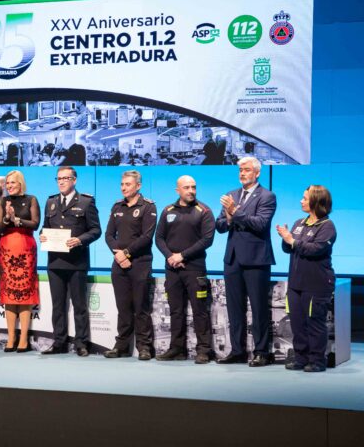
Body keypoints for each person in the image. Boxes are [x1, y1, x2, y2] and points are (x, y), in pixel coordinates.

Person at [215, 156, 277, 367]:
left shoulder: (267, 196)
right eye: (240, 170)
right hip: (232, 258)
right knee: (234, 308)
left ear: (257, 173)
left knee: (258, 308)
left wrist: (234, 212)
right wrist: (229, 217)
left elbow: (260, 224)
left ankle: (261, 351)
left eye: (247, 170)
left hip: (256, 259)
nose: (242, 173)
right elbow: (220, 225)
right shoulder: (232, 195)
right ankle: (237, 350)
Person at [39, 166, 101, 356]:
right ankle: (59, 342)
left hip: (77, 262)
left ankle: (81, 344)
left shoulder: (86, 202)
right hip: (55, 262)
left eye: (66, 178)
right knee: (57, 306)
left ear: (74, 180)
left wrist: (80, 240)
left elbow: (96, 230)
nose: (62, 181)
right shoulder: (50, 202)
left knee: (79, 306)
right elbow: (45, 227)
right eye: (59, 178)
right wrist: (42, 235)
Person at [154, 176, 216, 363]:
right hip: (172, 269)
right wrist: (170, 257)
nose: (191, 191)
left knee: (200, 310)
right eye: (187, 187)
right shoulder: (168, 210)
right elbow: (159, 238)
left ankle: (204, 350)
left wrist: (182, 256)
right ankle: (176, 349)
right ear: (177, 190)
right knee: (175, 310)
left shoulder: (204, 211)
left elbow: (207, 240)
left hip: (195, 270)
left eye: (194, 187)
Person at [277, 185, 336, 372]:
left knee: (315, 324)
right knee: (297, 324)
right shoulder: (299, 223)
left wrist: (292, 240)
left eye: (305, 198)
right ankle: (300, 358)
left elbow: (316, 249)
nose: (301, 201)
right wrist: (286, 239)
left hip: (316, 284)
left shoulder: (327, 226)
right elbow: (288, 248)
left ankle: (317, 361)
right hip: (296, 283)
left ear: (316, 202)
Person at [103, 170, 157, 360]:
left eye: (128, 184)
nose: (124, 187)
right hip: (119, 264)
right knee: (123, 307)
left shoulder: (148, 207)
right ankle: (122, 346)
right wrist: (118, 255)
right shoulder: (117, 206)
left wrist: (126, 253)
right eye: (122, 184)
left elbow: (146, 237)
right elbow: (109, 235)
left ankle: (144, 347)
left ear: (138, 186)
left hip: (140, 264)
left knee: (141, 308)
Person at [0, 170, 40, 353]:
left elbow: (35, 224)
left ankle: (23, 339)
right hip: (7, 248)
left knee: (24, 295)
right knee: (9, 294)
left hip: (26, 248)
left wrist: (17, 219)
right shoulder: (1, 201)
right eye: (7, 183)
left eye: (13, 183)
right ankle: (11, 337)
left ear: (20, 184)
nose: (9, 186)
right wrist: (7, 218)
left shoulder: (31, 199)